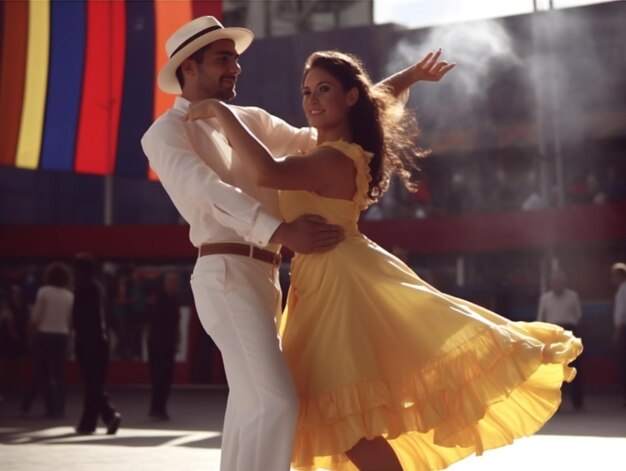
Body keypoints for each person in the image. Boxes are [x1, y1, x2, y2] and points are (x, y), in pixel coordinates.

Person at [190, 50, 583, 471]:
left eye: (324, 89)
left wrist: (217, 109)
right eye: (306, 91)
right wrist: (410, 75)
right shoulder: (336, 148)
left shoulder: (334, 158)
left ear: (349, 98)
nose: (312, 100)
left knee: (345, 421)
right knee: (344, 423)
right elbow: (379, 95)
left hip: (341, 285)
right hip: (322, 281)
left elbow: (267, 172)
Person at [141, 16, 452, 471]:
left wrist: (405, 79)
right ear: (189, 67)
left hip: (270, 277)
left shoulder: (252, 120)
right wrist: (281, 231)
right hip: (225, 274)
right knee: (278, 402)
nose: (236, 67)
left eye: (235, 58)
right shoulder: (165, 133)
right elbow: (207, 191)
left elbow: (333, 126)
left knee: (253, 406)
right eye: (224, 58)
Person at [72, 253, 122, 435]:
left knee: (92, 383)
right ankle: (105, 418)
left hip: (87, 341)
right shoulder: (98, 287)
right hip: (101, 341)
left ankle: (94, 422)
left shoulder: (82, 288)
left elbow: (78, 318)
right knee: (95, 383)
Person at [21, 262, 73, 418]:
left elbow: (36, 317)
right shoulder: (69, 295)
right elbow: (69, 320)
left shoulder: (43, 292)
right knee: (59, 374)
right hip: (62, 335)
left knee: (40, 371)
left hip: (44, 334)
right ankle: (60, 408)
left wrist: (30, 334)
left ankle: (30, 406)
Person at [537, 270, 584, 409]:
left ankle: (578, 402)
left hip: (569, 331)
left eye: (559, 282)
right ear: (551, 284)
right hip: (553, 333)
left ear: (564, 283)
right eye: (554, 282)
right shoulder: (545, 298)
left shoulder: (572, 296)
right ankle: (555, 404)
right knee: (554, 368)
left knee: (574, 367)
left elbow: (578, 315)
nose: (557, 284)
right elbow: (541, 318)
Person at [146, 272, 181, 420]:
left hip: (168, 344)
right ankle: (156, 407)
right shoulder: (158, 299)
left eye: (174, 283)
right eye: (170, 282)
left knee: (166, 378)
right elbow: (150, 321)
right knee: (157, 377)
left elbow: (177, 323)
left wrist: (178, 338)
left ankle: (160, 407)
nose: (172, 285)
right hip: (156, 343)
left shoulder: (175, 301)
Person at [611, 262, 626, 406]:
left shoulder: (623, 289)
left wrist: (617, 332)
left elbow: (621, 313)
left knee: (623, 361)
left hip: (623, 329)